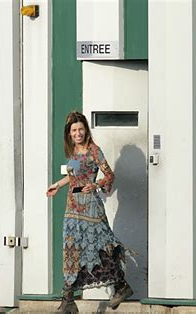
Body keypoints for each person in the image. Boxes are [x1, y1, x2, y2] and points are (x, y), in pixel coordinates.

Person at [46, 111, 133, 313]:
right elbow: (73, 177)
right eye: (74, 130)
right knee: (71, 250)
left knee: (98, 248)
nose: (77, 133)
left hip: (91, 207)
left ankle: (121, 286)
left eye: (81, 129)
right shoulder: (74, 153)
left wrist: (95, 185)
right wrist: (57, 185)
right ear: (69, 133)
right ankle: (68, 299)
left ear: (86, 130)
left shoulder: (94, 150)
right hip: (72, 206)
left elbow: (109, 174)